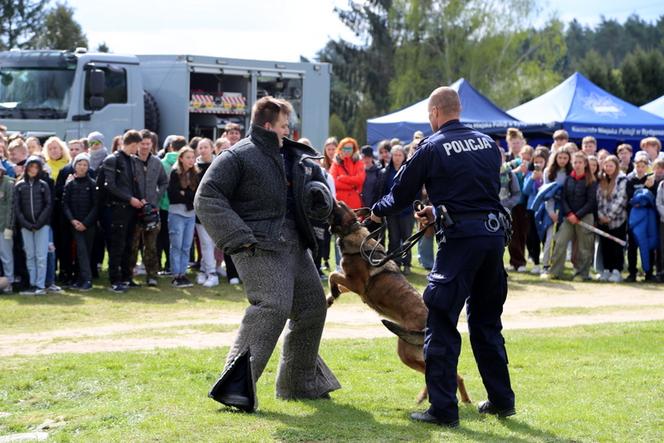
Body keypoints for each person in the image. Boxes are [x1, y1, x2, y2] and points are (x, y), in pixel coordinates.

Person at [368, 86, 514, 427]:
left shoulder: (431, 147)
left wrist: (375, 214)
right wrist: (438, 210)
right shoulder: (488, 144)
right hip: (493, 240)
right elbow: (475, 193)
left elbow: (400, 196)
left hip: (460, 244)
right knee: (487, 323)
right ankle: (502, 400)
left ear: (434, 113)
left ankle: (443, 409)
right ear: (458, 109)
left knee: (441, 322)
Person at [196, 96, 340, 412]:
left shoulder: (292, 156)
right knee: (272, 306)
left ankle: (299, 383)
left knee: (313, 307)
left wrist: (319, 199)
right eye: (284, 125)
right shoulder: (237, 156)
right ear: (267, 125)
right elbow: (206, 197)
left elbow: (311, 192)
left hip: (293, 244)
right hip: (257, 246)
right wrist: (239, 238)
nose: (289, 130)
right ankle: (234, 390)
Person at [542, 152, 597, 281]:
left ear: (585, 164)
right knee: (560, 242)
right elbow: (563, 199)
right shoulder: (568, 179)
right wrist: (570, 214)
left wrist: (577, 215)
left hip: (585, 216)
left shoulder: (591, 180)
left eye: (580, 162)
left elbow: (591, 202)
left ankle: (582, 274)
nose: (577, 165)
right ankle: (555, 271)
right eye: (575, 162)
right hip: (569, 217)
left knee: (584, 247)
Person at [101, 130, 145, 293]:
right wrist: (129, 199)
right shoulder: (113, 160)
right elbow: (110, 186)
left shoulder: (132, 161)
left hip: (131, 210)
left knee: (129, 245)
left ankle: (127, 277)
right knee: (117, 246)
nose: (139, 149)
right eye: (138, 145)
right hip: (116, 210)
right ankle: (115, 280)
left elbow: (134, 184)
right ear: (133, 144)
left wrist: (140, 198)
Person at [129, 130, 168, 287]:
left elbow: (164, 182)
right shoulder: (130, 161)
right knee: (132, 245)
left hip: (152, 211)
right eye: (142, 143)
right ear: (137, 144)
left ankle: (152, 275)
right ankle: (128, 274)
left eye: (147, 144)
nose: (145, 147)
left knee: (151, 246)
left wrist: (156, 199)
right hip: (134, 210)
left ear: (152, 144)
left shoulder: (157, 162)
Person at [14, 156, 53, 295]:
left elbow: (48, 205)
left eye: (36, 167)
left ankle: (41, 285)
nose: (33, 170)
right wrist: (26, 224)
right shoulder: (19, 185)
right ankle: (32, 284)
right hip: (26, 227)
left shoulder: (43, 185)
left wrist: (39, 223)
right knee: (30, 255)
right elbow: (17, 208)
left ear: (39, 169)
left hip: (42, 226)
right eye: (31, 167)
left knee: (41, 255)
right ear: (26, 168)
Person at [62, 153, 98, 291]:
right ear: (74, 166)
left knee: (85, 252)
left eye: (85, 165)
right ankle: (85, 280)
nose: (82, 167)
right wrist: (73, 221)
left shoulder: (93, 184)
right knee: (80, 252)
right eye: (79, 164)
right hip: (75, 224)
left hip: (89, 225)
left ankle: (83, 279)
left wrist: (86, 223)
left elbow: (96, 206)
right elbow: (65, 204)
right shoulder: (70, 184)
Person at [381, 144, 415, 275]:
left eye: (400, 155)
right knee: (394, 239)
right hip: (391, 212)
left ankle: (407, 264)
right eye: (395, 155)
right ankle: (395, 263)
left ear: (404, 156)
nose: (397, 157)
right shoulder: (386, 172)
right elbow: (383, 192)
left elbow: (414, 191)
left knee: (407, 238)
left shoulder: (409, 171)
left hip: (406, 211)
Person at [168, 146, 199, 288]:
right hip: (177, 214)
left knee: (186, 246)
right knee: (177, 245)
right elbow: (173, 195)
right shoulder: (175, 173)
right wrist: (187, 195)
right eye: (188, 157)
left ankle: (183, 274)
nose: (191, 160)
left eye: (193, 157)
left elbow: (196, 196)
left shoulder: (196, 174)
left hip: (191, 214)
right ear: (181, 158)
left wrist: (184, 194)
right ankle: (176, 275)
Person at [625, 152, 658, 282]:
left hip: (648, 218)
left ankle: (649, 273)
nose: (640, 169)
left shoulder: (651, 180)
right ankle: (632, 273)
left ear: (647, 167)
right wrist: (643, 191)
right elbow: (630, 198)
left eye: (643, 166)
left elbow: (652, 199)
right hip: (634, 218)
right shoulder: (630, 180)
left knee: (648, 245)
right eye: (638, 166)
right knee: (632, 247)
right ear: (634, 166)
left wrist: (648, 190)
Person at [157, 136, 187, 276]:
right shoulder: (187, 163)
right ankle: (172, 266)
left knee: (163, 236)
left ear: (170, 147)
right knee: (178, 239)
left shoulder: (161, 163)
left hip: (163, 205)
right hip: (180, 206)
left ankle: (161, 265)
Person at [596, 155, 627, 283]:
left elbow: (621, 199)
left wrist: (609, 216)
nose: (608, 168)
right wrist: (601, 215)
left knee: (617, 246)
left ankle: (617, 270)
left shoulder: (622, 179)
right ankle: (607, 269)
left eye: (611, 166)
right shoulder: (601, 179)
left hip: (618, 219)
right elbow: (598, 199)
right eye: (606, 165)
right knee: (605, 246)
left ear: (616, 166)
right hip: (602, 219)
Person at [194, 138, 219, 287]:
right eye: (200, 147)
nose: (203, 150)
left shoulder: (219, 164)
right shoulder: (195, 167)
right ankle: (211, 273)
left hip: (217, 211)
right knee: (206, 244)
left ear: (212, 148)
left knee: (212, 243)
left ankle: (204, 270)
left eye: (205, 147)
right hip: (200, 211)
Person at [329, 137, 365, 210]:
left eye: (350, 148)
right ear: (341, 148)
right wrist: (352, 185)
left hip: (355, 202)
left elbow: (360, 179)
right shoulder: (336, 163)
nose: (347, 150)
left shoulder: (358, 162)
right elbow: (333, 182)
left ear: (354, 149)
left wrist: (343, 178)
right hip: (340, 203)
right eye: (345, 148)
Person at [0, 163, 14, 293]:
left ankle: (9, 283)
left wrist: (9, 226)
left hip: (5, 227)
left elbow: (11, 207)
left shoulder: (9, 183)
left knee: (7, 256)